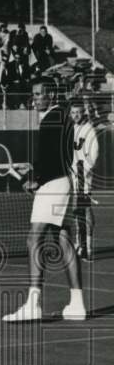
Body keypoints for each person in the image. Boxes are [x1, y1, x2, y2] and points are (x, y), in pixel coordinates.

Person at [3, 78, 87, 322]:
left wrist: (34, 179)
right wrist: (33, 170)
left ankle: (33, 303)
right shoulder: (62, 116)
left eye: (39, 94)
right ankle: (77, 304)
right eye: (34, 94)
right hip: (61, 182)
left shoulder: (51, 119)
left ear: (50, 94)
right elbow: (57, 156)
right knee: (63, 239)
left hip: (53, 183)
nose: (34, 98)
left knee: (33, 239)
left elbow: (52, 160)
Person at [69, 98, 99, 259]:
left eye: (78, 112)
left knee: (85, 208)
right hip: (73, 175)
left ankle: (88, 246)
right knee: (75, 209)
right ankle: (79, 243)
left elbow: (94, 153)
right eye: (73, 113)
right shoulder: (71, 129)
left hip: (83, 176)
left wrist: (84, 170)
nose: (75, 115)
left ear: (83, 113)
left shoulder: (90, 129)